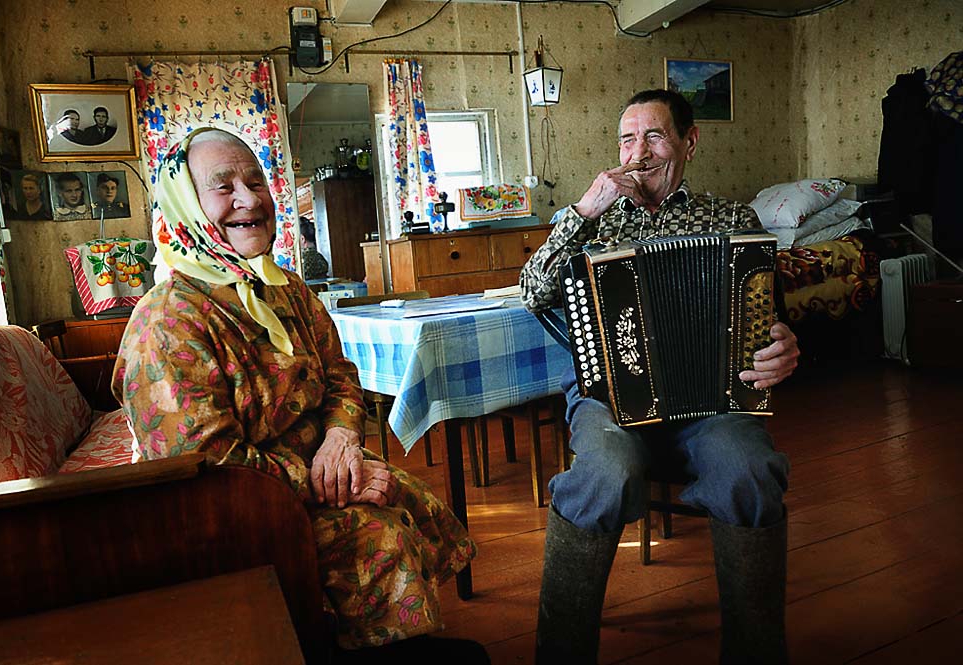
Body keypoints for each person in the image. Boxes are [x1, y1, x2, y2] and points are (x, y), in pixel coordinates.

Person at [112, 128, 488, 664]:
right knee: (378, 536)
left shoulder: (285, 287)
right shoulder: (168, 322)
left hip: (313, 480)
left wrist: (341, 439)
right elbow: (205, 465)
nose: (250, 199)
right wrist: (330, 480)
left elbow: (339, 372)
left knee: (403, 498)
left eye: (256, 181)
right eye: (224, 187)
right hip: (234, 514)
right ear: (186, 205)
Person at [520, 89, 799, 665]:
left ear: (688, 143)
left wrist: (784, 348)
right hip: (609, 399)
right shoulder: (590, 222)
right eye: (627, 139)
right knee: (606, 469)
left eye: (654, 136)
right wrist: (582, 210)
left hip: (711, 402)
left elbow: (768, 321)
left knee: (748, 470)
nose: (638, 152)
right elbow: (532, 294)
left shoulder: (732, 220)